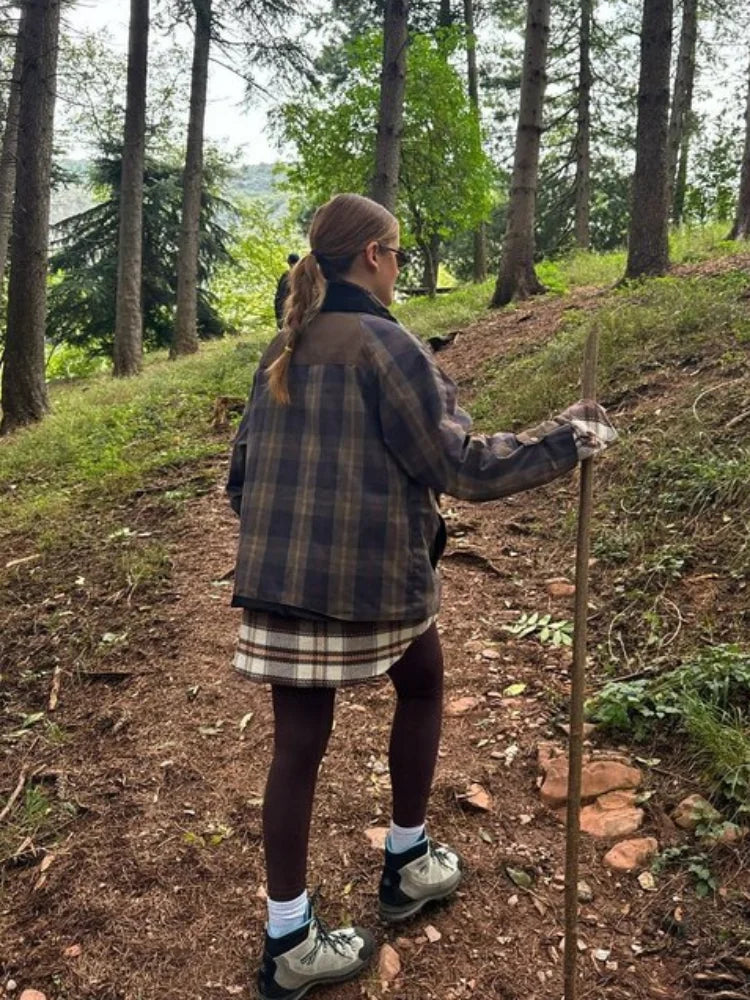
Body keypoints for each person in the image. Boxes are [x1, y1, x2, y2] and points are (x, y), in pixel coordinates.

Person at [226, 193, 616, 1000]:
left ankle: (287, 940)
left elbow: (239, 483)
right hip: (373, 586)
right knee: (425, 681)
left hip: (278, 587)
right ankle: (406, 863)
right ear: (371, 255)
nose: (400, 268)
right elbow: (461, 467)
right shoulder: (386, 345)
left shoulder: (283, 344)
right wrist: (566, 439)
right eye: (398, 253)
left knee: (296, 749)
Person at [274, 252, 300, 328]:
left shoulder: (285, 277)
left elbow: (278, 298)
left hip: (287, 314)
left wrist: (279, 318)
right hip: (295, 314)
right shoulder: (303, 275)